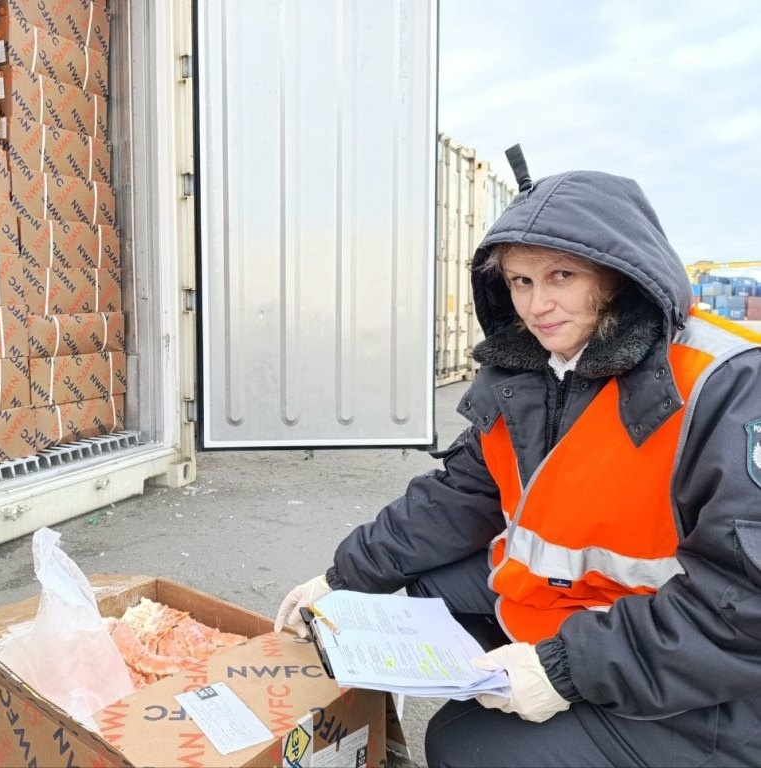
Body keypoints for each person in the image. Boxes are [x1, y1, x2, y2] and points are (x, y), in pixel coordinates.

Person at [274, 146, 761, 767]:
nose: (537, 306)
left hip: (711, 690)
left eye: (562, 277)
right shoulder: (533, 371)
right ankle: (511, 690)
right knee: (420, 588)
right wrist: (346, 576)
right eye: (521, 281)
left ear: (620, 275)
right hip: (593, 604)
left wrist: (560, 671)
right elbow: (461, 494)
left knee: (465, 746)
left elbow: (744, 606)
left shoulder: (725, 386)